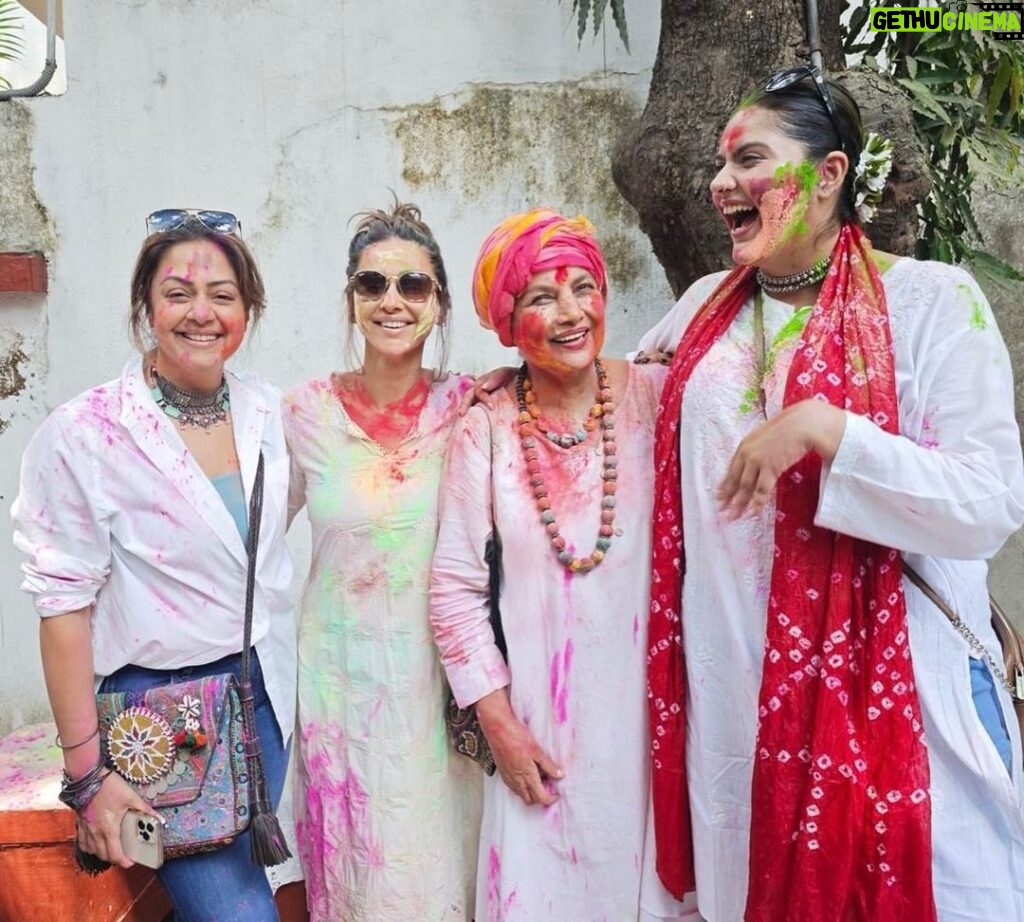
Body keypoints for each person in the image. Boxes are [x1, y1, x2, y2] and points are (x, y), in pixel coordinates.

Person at [639, 66, 1024, 921]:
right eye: (720, 164)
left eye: (750, 159)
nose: (720, 183)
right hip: (735, 709)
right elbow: (608, 406)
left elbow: (989, 501)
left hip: (901, 707)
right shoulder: (703, 311)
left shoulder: (931, 304)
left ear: (829, 174)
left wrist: (831, 430)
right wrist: (505, 395)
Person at [11, 210, 295, 922]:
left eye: (223, 294)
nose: (202, 312)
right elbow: (64, 611)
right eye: (178, 293)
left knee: (270, 893)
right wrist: (87, 777)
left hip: (267, 696)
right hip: (160, 723)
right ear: (145, 306)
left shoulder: (270, 411)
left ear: (248, 309)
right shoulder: (85, 434)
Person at [429, 208, 695, 921]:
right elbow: (454, 593)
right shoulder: (485, 426)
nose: (572, 312)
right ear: (508, 320)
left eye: (585, 287)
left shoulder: (657, 397)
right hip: (539, 733)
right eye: (542, 298)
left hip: (655, 724)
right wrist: (499, 727)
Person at [284, 202, 480, 921]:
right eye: (372, 284)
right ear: (350, 299)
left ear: (440, 303)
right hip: (340, 691)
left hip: (439, 692)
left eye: (413, 286)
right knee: (360, 880)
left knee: (438, 872)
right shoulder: (302, 413)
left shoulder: (472, 406)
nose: (392, 301)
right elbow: (242, 539)